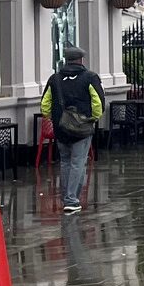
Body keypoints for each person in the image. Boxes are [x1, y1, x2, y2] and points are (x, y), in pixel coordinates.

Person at [41, 44, 104, 214]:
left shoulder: (54, 79)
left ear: (67, 60)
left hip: (61, 128)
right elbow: (98, 103)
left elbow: (45, 105)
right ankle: (72, 200)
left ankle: (66, 198)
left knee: (66, 162)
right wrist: (93, 118)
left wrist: (54, 118)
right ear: (81, 60)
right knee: (78, 163)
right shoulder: (90, 77)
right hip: (82, 128)